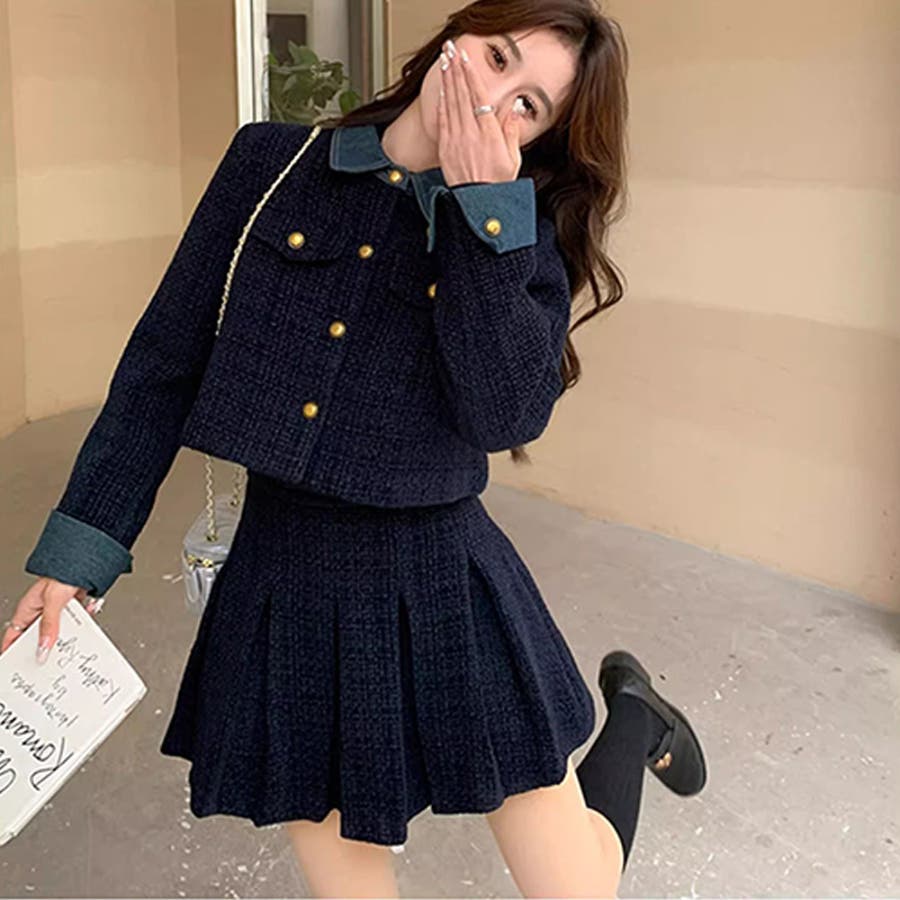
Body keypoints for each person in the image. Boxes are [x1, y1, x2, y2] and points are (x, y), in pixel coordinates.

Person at [4, 0, 707, 896]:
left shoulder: (520, 239)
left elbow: (502, 417)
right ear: (453, 40)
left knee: (578, 886)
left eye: (529, 106)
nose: (494, 101)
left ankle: (634, 719)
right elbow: (163, 366)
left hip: (443, 575)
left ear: (539, 140)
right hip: (284, 582)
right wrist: (80, 552)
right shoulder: (270, 165)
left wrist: (483, 214)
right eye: (497, 59)